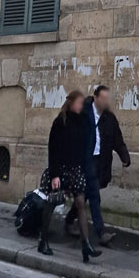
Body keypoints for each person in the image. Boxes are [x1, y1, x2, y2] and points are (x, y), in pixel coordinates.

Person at [38, 89, 102, 263]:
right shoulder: (60, 122)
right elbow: (53, 149)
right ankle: (43, 240)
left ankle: (85, 245)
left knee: (80, 203)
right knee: (52, 202)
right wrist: (54, 174)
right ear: (72, 102)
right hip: (61, 169)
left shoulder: (82, 121)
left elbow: (86, 145)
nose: (81, 106)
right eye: (79, 103)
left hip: (76, 169)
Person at [64, 85, 130, 246]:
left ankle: (68, 220)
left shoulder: (109, 118)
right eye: (103, 98)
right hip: (83, 160)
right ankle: (100, 233)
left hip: (99, 161)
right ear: (95, 97)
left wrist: (124, 156)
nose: (105, 102)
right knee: (94, 195)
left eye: (107, 99)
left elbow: (117, 140)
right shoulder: (82, 111)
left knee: (86, 194)